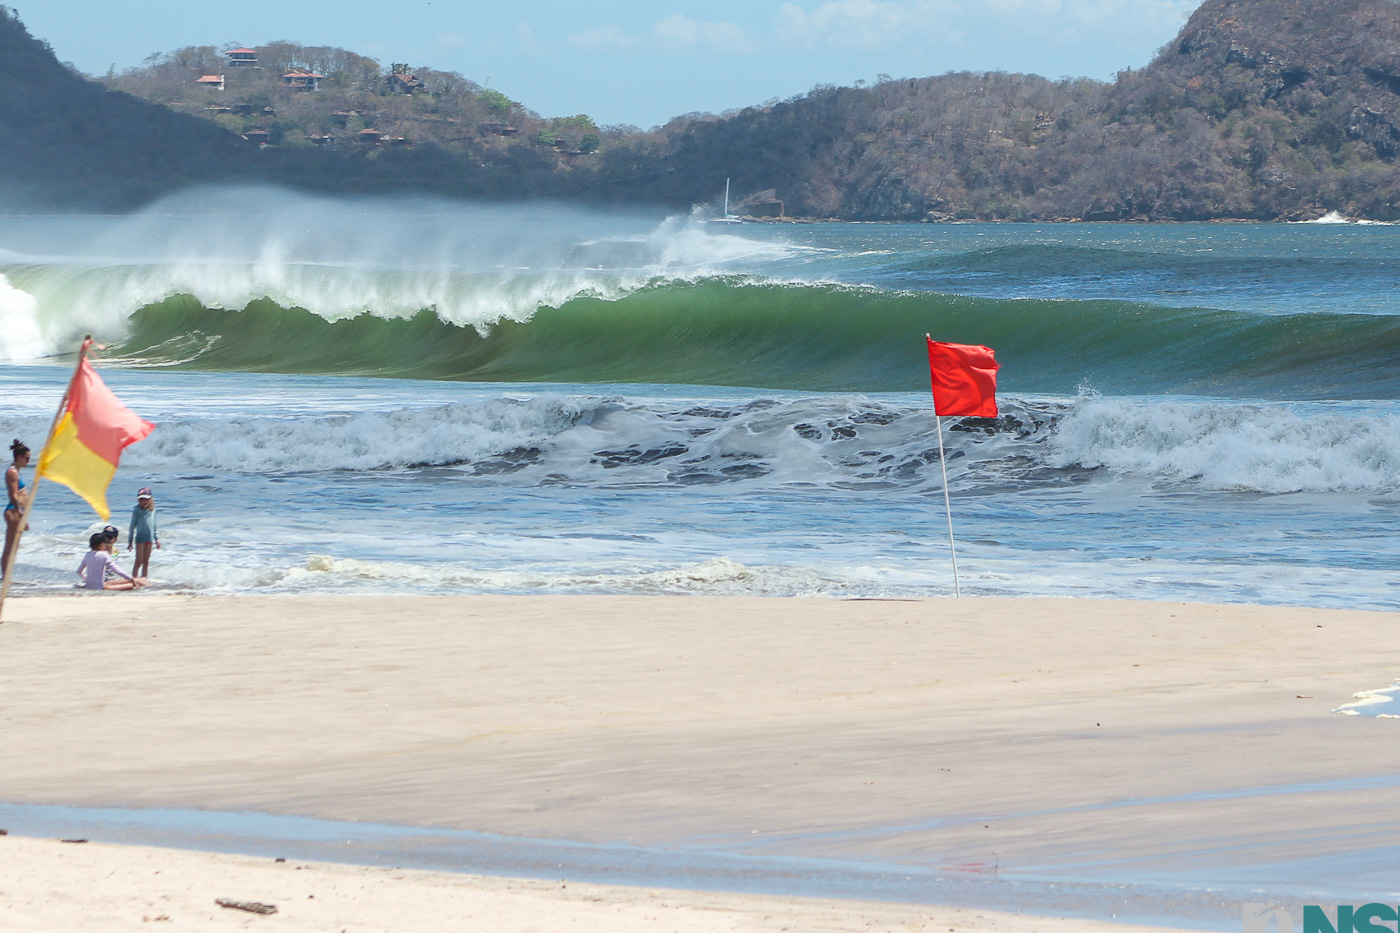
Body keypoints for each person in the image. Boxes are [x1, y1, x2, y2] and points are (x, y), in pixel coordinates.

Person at [77, 532, 144, 590]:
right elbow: (117, 570)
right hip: (101, 587)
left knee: (126, 582)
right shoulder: (104, 554)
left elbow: (79, 571)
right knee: (132, 585)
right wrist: (131, 579)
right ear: (102, 544)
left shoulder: (87, 554)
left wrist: (86, 578)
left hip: (88, 585)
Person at [3, 439, 30, 574]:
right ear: (19, 457)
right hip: (13, 511)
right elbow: (13, 495)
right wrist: (20, 513)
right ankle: (5, 579)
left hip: (17, 511)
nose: (28, 461)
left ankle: (7, 577)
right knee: (10, 547)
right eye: (27, 458)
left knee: (14, 547)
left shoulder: (16, 472)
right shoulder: (12, 472)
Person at [128, 487, 160, 578]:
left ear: (150, 499)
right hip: (140, 539)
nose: (144, 502)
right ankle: (134, 579)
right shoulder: (136, 511)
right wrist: (130, 541)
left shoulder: (152, 510)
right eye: (141, 500)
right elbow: (132, 527)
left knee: (146, 562)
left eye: (146, 499)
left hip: (149, 539)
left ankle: (143, 579)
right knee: (139, 561)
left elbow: (154, 526)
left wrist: (156, 539)